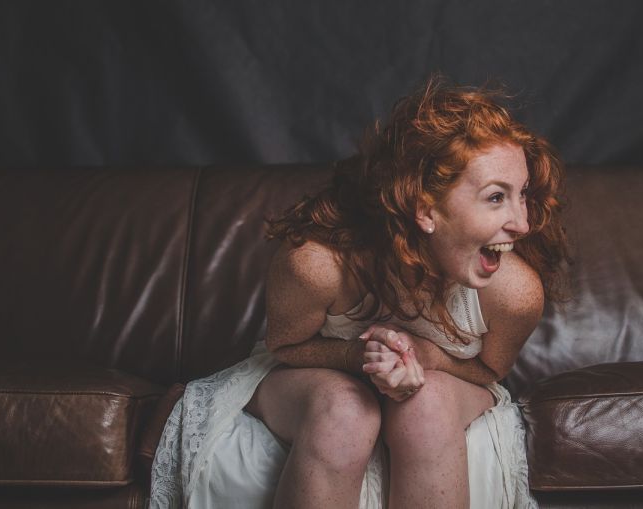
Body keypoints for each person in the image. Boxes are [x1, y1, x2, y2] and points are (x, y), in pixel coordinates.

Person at [150, 76, 569, 509]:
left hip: (447, 387)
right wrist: (360, 359)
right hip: (307, 379)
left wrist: (425, 358)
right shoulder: (315, 265)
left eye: (523, 195)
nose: (522, 223)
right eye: (497, 198)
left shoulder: (515, 293)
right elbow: (285, 345)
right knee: (346, 411)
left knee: (426, 408)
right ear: (426, 210)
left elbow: (488, 369)